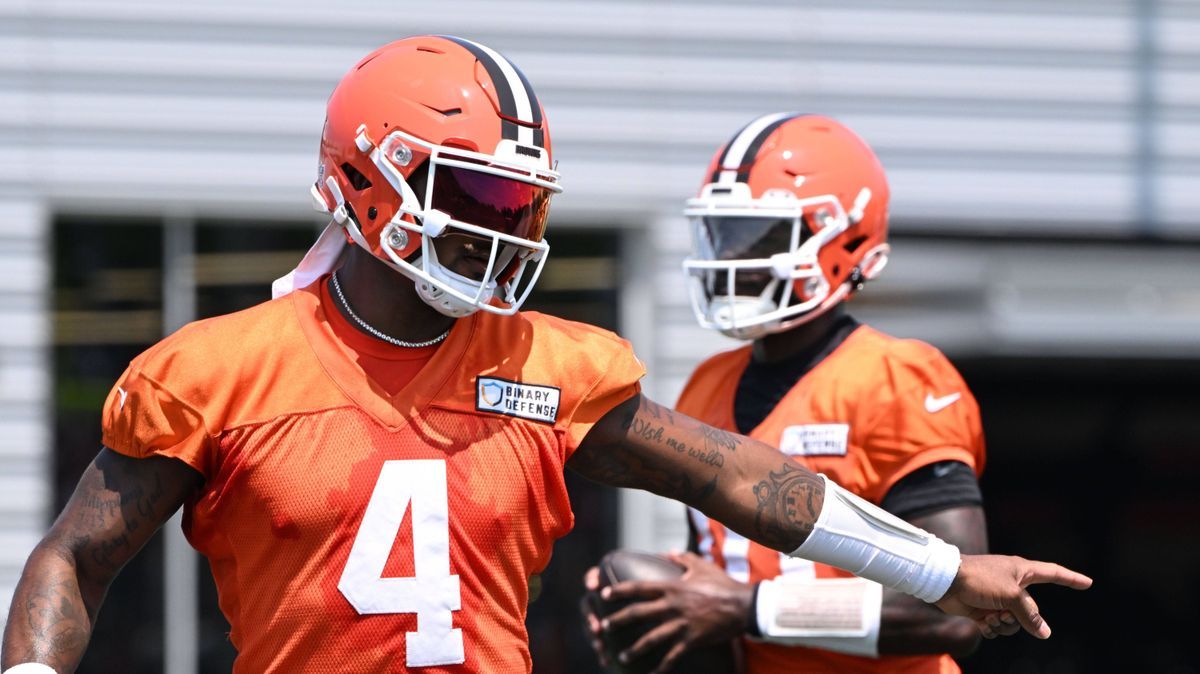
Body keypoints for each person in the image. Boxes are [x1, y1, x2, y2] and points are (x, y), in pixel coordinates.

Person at [0, 37, 1089, 674]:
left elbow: (751, 481)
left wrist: (944, 568)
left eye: (521, 199)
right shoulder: (216, 370)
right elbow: (72, 557)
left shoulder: (555, 367)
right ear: (368, 180)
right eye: (475, 193)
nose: (506, 225)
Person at [582, 114, 1013, 674]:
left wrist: (748, 608)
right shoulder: (709, 382)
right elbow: (714, 575)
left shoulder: (897, 377)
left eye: (759, 237)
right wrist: (651, 608)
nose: (733, 261)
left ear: (845, 239)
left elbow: (953, 613)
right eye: (726, 234)